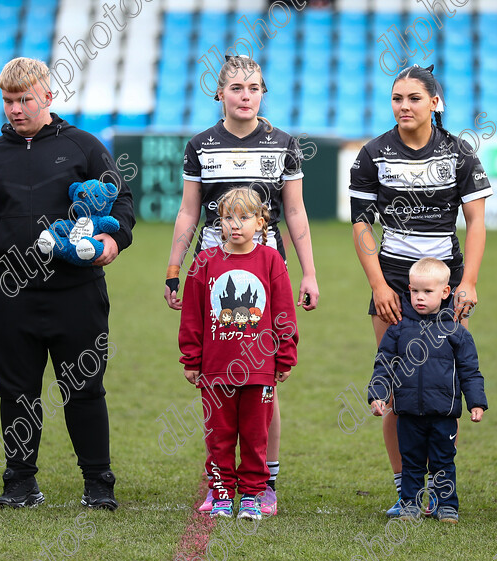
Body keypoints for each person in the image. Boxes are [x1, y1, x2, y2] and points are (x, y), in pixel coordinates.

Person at [0, 58, 135, 509]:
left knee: (84, 389)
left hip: (76, 291)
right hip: (8, 295)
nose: (16, 109)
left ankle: (99, 483)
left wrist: (113, 240)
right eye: (8, 100)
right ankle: (19, 482)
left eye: (24, 99)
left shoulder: (84, 147)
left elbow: (124, 203)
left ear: (48, 97)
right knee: (16, 392)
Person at [164, 54, 317, 516]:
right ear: (220, 93)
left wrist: (308, 272)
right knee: (218, 380)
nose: (245, 95)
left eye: (253, 88)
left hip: (265, 273)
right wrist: (175, 269)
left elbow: (294, 213)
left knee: (262, 383)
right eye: (236, 88)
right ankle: (221, 483)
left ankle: (262, 483)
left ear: (263, 92)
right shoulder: (200, 144)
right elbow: (190, 211)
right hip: (211, 273)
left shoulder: (283, 143)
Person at [349, 64, 492, 516]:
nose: (404, 106)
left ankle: (441, 489)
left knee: (442, 384)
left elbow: (476, 223)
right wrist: (378, 284)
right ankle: (406, 489)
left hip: (447, 280)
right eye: (397, 98)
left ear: (435, 102)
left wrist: (466, 281)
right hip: (391, 280)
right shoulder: (373, 153)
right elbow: (361, 224)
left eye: (414, 97)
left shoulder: (459, 152)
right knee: (396, 386)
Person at [178, 188, 299, 520]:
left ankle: (251, 495)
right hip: (216, 371)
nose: (235, 225)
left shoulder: (272, 260)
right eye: (228, 218)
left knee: (255, 437)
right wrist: (191, 358)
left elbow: (284, 313)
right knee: (219, 438)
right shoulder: (204, 262)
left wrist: (285, 355)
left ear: (261, 223)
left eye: (244, 217)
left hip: (259, 370)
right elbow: (192, 315)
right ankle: (220, 493)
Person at [367, 257, 487, 524]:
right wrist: (378, 394)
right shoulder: (398, 329)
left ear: (445, 292)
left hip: (443, 413)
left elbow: (470, 370)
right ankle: (409, 505)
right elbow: (383, 364)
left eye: (428, 292)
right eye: (415, 291)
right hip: (408, 412)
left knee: (444, 461)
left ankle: (446, 505)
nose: (419, 297)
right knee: (411, 461)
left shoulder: (456, 331)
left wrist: (476, 402)